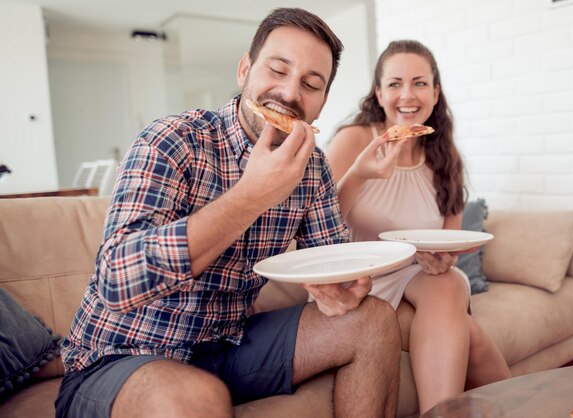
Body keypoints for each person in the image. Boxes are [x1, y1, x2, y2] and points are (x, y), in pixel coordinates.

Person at [54, 8, 402, 418]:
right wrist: (251, 195)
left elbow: (332, 260)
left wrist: (341, 289)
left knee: (374, 319)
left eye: (311, 84)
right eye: (277, 70)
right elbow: (117, 280)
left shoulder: (312, 167)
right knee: (191, 398)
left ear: (322, 104)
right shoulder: (171, 140)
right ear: (244, 69)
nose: (290, 94)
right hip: (119, 357)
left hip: (229, 347)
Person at [324, 39, 511, 413]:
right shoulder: (356, 140)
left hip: (418, 278)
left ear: (435, 92)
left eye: (420, 83)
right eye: (394, 83)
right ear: (378, 93)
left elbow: (449, 242)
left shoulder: (443, 155)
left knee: (447, 282)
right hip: (362, 281)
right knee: (469, 333)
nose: (407, 95)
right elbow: (317, 222)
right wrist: (360, 176)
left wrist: (445, 259)